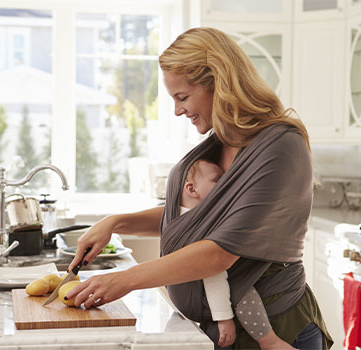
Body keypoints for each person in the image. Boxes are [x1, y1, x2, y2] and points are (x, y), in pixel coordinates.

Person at [64, 27, 333, 350]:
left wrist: (123, 280)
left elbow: (220, 251)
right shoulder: (221, 142)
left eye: (183, 97)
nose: (178, 110)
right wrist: (115, 222)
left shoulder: (279, 146)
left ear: (219, 84)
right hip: (225, 330)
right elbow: (195, 217)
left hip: (276, 331)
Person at [182, 159, 294, 349]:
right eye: (218, 180)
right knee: (241, 286)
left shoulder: (185, 217)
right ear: (192, 189)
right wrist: (224, 318)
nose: (226, 185)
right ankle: (269, 341)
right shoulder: (201, 226)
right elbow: (213, 274)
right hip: (218, 291)